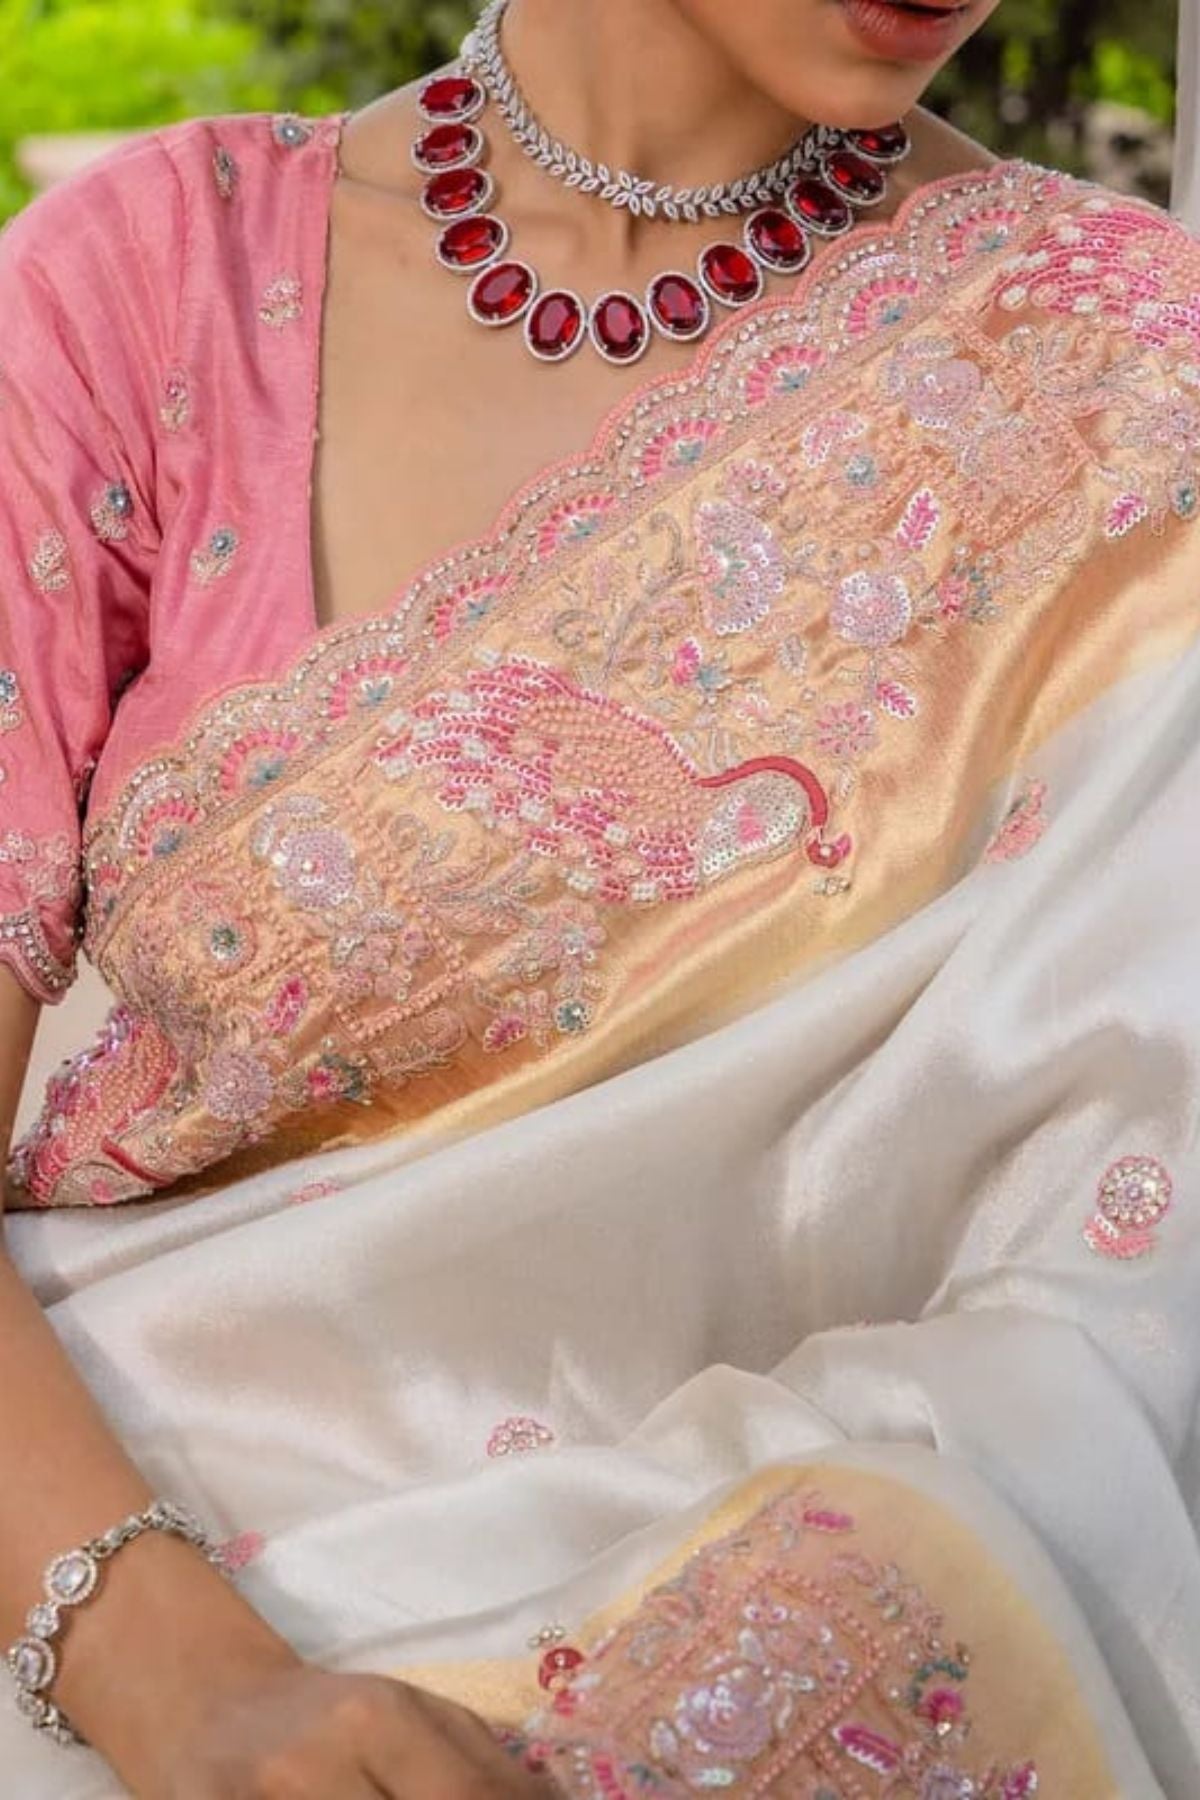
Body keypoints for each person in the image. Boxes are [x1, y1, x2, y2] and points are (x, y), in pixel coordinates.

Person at [1, 0, 1198, 1791]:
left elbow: (1140, 1275)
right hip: (80, 1581)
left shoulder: (1120, 372)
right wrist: (177, 1680)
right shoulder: (148, 289)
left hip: (805, 1648)